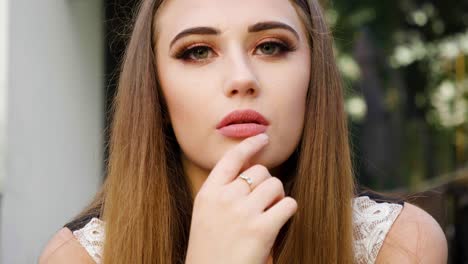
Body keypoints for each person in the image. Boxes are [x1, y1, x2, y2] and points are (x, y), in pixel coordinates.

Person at [38, 0, 448, 263]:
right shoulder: (78, 257)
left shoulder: (400, 244)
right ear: (156, 92)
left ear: (314, 77)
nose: (241, 78)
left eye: (270, 46)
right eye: (197, 51)